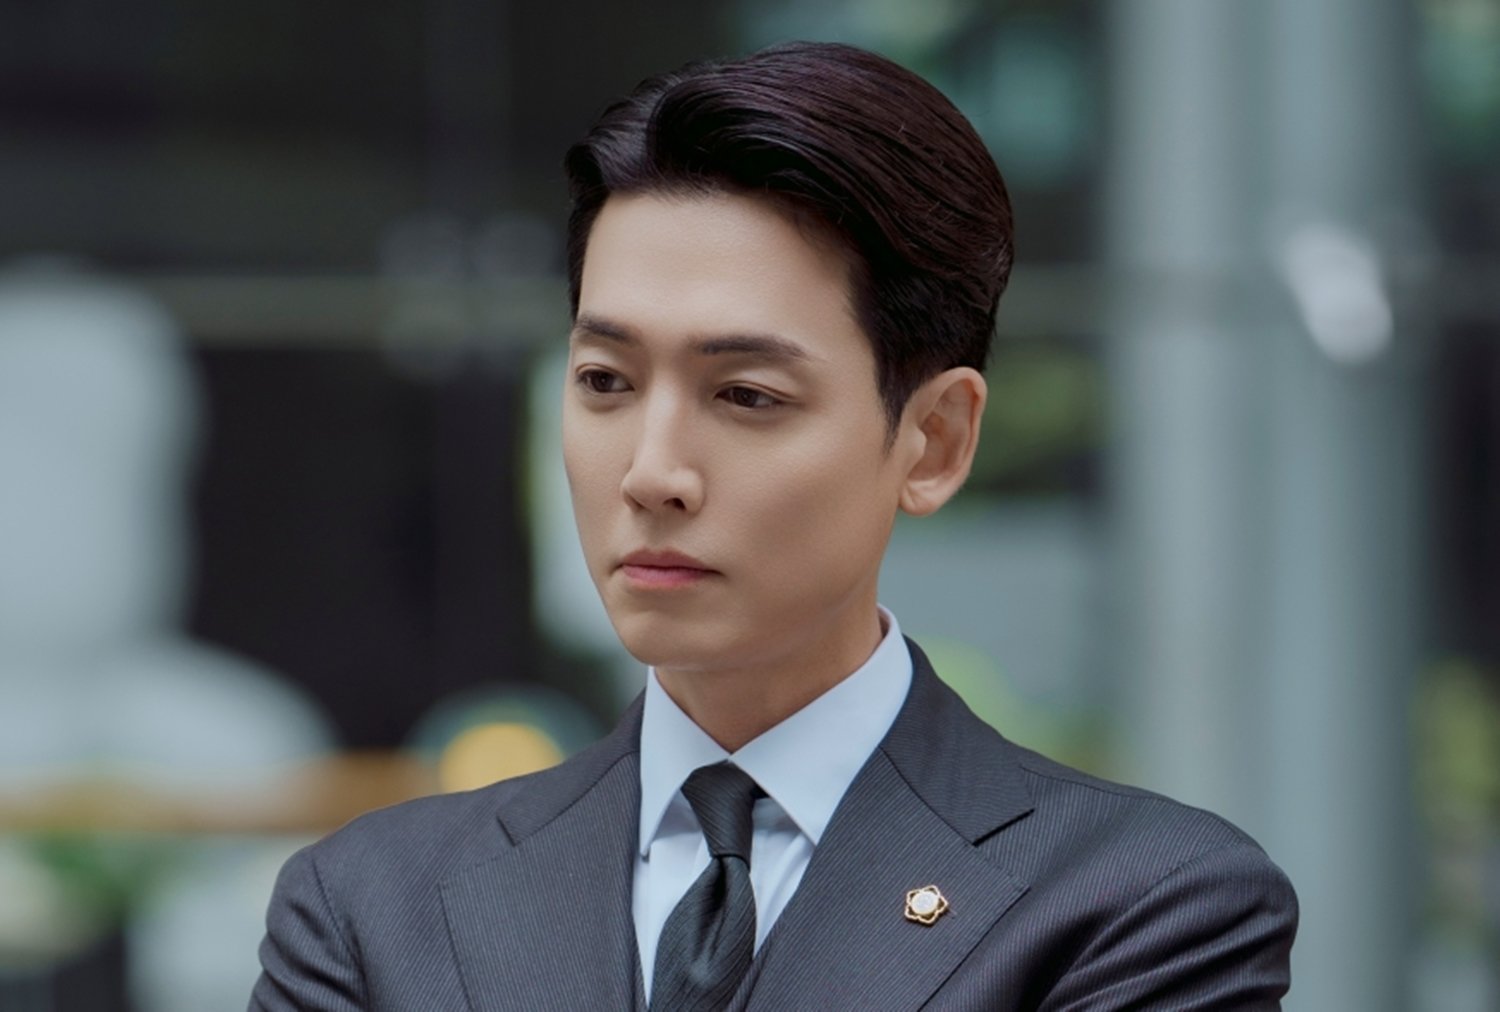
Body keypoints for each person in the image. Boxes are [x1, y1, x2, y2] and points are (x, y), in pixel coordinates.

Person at [250, 41, 1297, 1010]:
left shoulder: (1135, 907)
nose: (652, 473)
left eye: (746, 395)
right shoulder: (373, 910)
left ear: (933, 441)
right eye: (605, 381)